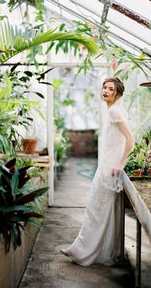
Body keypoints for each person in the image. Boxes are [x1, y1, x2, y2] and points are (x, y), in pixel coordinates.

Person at [60, 77, 135, 266]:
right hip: (107, 165)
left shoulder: (115, 111)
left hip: (110, 167)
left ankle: (82, 251)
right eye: (104, 87)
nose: (105, 91)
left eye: (110, 89)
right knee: (104, 210)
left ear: (117, 93)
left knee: (96, 209)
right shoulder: (113, 109)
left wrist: (120, 163)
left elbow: (130, 140)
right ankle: (106, 251)